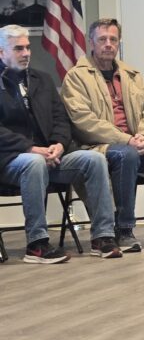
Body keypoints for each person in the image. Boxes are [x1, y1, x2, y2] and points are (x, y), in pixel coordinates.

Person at [60, 18, 144, 250]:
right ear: (91, 42)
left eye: (113, 39)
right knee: (126, 154)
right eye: (102, 39)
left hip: (136, 143)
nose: (108, 44)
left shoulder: (131, 75)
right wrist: (127, 140)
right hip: (99, 148)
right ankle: (123, 229)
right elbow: (83, 121)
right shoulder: (76, 77)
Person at [0, 25, 121, 262]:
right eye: (18, 49)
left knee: (94, 159)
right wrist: (30, 148)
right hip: (10, 161)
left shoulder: (42, 79)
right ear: (2, 52)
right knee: (33, 162)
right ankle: (37, 244)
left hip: (51, 156)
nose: (26, 53)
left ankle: (103, 236)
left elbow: (61, 119)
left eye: (28, 48)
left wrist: (59, 144)